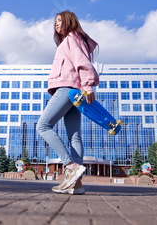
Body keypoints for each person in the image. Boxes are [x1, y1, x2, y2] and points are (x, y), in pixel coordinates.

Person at [36, 10, 99, 195]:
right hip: (74, 91)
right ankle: (76, 183)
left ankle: (70, 166)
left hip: (67, 88)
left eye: (59, 21)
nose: (56, 25)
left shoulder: (72, 37)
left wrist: (88, 84)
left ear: (69, 21)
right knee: (74, 136)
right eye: (54, 22)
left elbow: (82, 61)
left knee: (43, 126)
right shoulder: (71, 39)